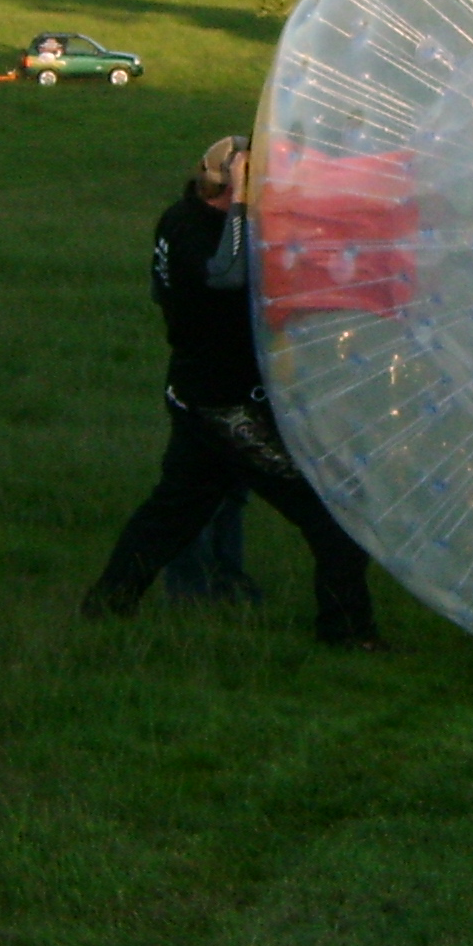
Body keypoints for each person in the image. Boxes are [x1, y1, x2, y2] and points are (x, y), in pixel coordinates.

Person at [81, 134, 383, 648]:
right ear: (231, 187)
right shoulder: (203, 232)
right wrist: (244, 201)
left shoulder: (180, 217)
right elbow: (228, 274)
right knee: (334, 514)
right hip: (227, 406)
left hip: (197, 395)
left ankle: (108, 605)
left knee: (173, 513)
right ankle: (347, 633)